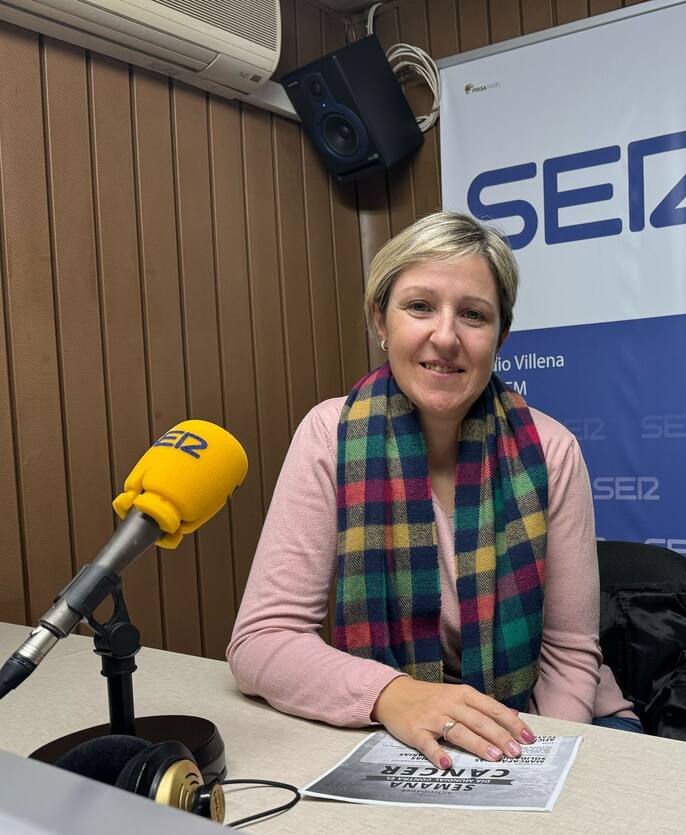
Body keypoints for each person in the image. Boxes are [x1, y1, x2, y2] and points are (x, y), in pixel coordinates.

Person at [227, 211, 639, 770]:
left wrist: (526, 766)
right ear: (380, 320)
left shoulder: (553, 449)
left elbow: (567, 658)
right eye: (419, 306)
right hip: (391, 723)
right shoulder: (329, 435)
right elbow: (261, 640)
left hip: (543, 721)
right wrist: (394, 695)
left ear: (501, 336)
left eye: (473, 315)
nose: (445, 337)